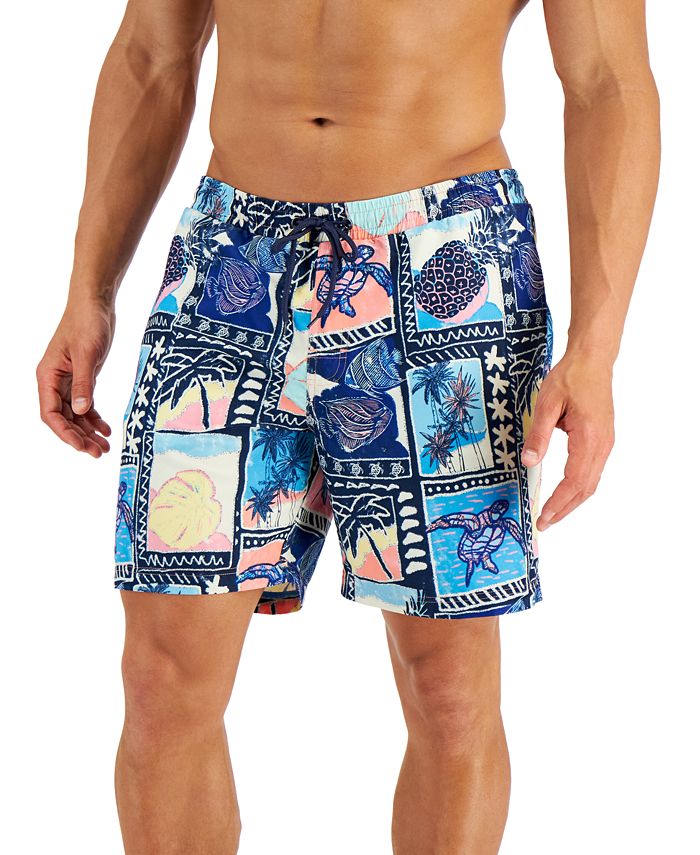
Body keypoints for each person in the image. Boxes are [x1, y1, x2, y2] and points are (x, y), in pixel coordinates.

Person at [36, 1, 660, 852]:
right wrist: (89, 288)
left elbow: (606, 82)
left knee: (447, 687)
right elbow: (152, 53)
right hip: (232, 255)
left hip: (443, 262)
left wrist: (597, 347)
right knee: (160, 678)